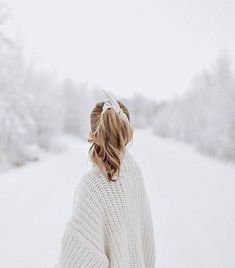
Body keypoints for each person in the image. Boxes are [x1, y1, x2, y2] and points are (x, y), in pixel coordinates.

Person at [55, 90, 156, 268]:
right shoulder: (135, 173)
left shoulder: (92, 185)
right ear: (125, 132)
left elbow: (76, 259)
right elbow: (146, 240)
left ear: (93, 133)